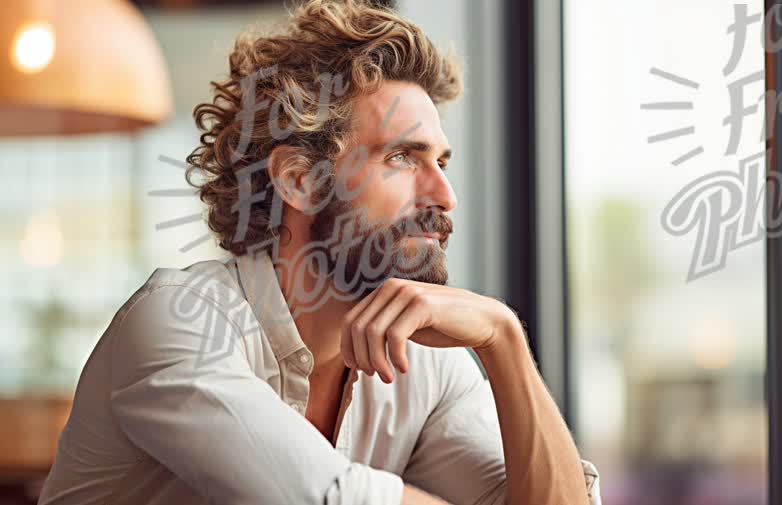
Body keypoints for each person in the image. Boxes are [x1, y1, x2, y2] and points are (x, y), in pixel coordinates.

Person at [38, 1, 601, 503]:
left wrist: (503, 338)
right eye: (404, 158)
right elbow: (331, 497)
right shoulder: (181, 322)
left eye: (442, 162)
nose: (445, 196)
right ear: (301, 180)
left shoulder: (428, 361)